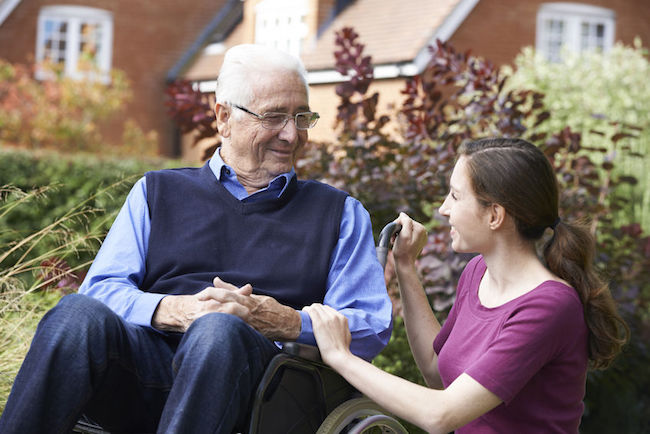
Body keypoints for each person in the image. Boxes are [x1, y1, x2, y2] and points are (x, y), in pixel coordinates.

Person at [0, 44, 393, 433]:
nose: (291, 135)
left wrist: (286, 321)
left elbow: (370, 326)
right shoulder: (157, 192)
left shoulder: (337, 212)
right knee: (74, 315)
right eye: (274, 117)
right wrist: (176, 310)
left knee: (217, 330)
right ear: (224, 117)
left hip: (263, 393)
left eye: (301, 117)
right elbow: (101, 289)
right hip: (143, 373)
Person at [306, 137, 629, 433]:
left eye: (456, 196)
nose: (444, 209)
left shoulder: (549, 307)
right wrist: (405, 267)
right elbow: (436, 373)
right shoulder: (477, 273)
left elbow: (441, 415)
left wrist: (340, 357)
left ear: (494, 215)